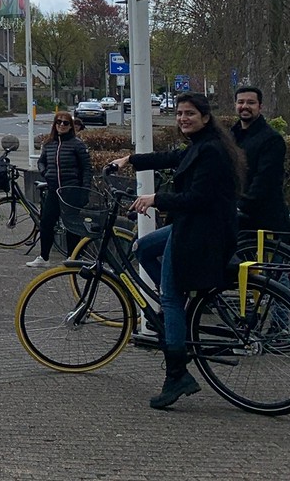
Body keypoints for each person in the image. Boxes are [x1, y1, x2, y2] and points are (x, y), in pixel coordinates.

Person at [110, 92, 245, 410]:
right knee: (143, 248)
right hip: (194, 226)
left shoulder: (211, 151)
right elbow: (171, 158)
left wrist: (156, 199)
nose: (184, 118)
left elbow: (198, 198)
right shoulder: (201, 144)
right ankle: (176, 313)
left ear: (205, 117)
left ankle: (177, 376)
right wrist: (130, 160)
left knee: (169, 297)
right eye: (180, 113)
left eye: (190, 113)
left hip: (200, 232)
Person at [26, 111, 92, 268]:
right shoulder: (49, 143)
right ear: (54, 125)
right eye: (59, 122)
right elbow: (41, 161)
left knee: (71, 223)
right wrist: (45, 172)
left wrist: (85, 191)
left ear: (70, 126)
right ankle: (44, 257)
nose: (62, 125)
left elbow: (87, 169)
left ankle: (73, 257)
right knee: (46, 222)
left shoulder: (77, 144)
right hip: (53, 189)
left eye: (65, 123)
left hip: (71, 189)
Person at [230, 85, 290, 235]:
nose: (245, 106)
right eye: (241, 102)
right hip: (234, 219)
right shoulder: (230, 136)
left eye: (251, 102)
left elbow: (265, 181)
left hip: (264, 222)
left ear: (260, 106)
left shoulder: (272, 140)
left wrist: (239, 206)